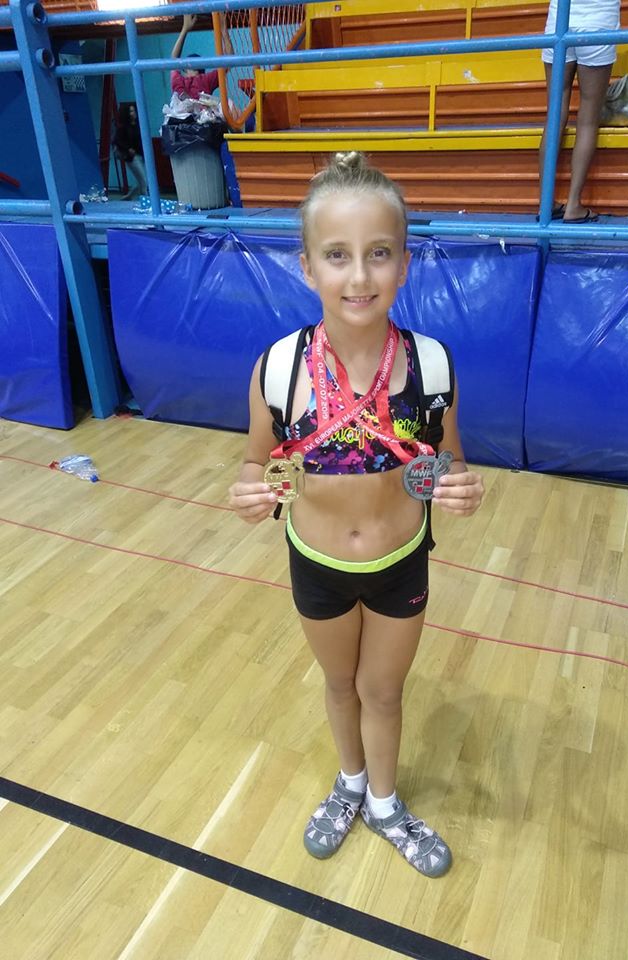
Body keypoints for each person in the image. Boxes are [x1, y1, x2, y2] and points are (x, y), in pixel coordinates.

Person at [228, 152, 484, 878]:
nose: (359, 275)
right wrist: (250, 495)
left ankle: (384, 802)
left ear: (405, 264)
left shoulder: (432, 366)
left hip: (401, 562)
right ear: (308, 268)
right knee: (341, 685)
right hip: (317, 565)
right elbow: (256, 463)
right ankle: (349, 783)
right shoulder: (279, 368)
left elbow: (445, 462)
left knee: (383, 690)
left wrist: (459, 489)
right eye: (337, 255)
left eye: (379, 253)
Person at [538, 0, 621, 223]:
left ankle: (546, 203)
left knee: (555, 114)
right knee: (588, 118)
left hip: (559, 19)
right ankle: (573, 204)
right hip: (599, 20)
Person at [170, 14, 220, 99]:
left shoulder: (205, 79)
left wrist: (184, 29)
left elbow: (173, 60)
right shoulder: (180, 81)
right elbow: (173, 61)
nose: (185, 73)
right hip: (188, 106)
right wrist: (184, 29)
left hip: (197, 107)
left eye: (187, 69)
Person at [112, 103, 147, 200]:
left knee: (140, 180)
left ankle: (128, 197)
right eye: (131, 111)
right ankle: (146, 199)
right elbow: (118, 140)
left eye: (134, 111)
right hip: (132, 157)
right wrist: (128, 148)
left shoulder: (138, 125)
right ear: (127, 113)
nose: (133, 113)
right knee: (143, 180)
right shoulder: (123, 127)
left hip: (140, 155)